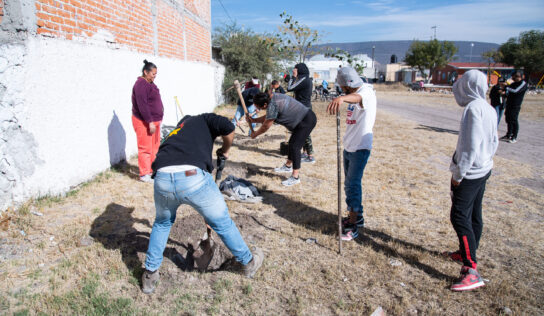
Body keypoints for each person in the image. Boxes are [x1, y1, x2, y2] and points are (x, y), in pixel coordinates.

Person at [141, 113, 264, 294]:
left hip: (162, 178)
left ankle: (149, 275)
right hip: (192, 176)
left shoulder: (177, 131)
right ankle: (248, 262)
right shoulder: (205, 119)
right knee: (222, 222)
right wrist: (225, 149)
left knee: (162, 223)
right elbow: (229, 128)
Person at [445, 70, 498, 291]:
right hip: (484, 168)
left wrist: (459, 174)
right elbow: (494, 141)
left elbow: (470, 145)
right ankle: (466, 252)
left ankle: (471, 269)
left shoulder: (473, 109)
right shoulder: (488, 107)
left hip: (471, 172)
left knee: (459, 216)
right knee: (474, 214)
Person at [326, 67, 376, 241]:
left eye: (342, 88)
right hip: (349, 146)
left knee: (352, 185)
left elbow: (358, 98)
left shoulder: (366, 92)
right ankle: (357, 215)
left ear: (348, 86)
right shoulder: (354, 93)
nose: (341, 90)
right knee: (349, 184)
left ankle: (352, 226)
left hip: (360, 148)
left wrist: (342, 98)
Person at [248, 91, 317, 186]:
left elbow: (265, 126)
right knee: (292, 143)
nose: (259, 109)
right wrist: (254, 120)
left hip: (305, 120)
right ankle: (288, 166)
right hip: (303, 119)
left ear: (265, 104)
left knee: (295, 147)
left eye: (259, 107)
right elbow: (269, 116)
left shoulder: (272, 105)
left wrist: (255, 134)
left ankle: (295, 177)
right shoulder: (272, 98)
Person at [132, 60, 164, 183]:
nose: (154, 76)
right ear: (146, 72)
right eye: (153, 74)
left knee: (154, 147)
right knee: (145, 147)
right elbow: (142, 105)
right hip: (144, 121)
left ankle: (152, 170)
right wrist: (150, 121)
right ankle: (144, 174)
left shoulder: (150, 84)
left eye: (156, 74)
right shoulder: (140, 85)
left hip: (155, 122)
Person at [287, 63, 316, 164]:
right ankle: (305, 152)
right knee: (301, 130)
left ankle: (310, 155)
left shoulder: (304, 79)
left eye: (295, 69)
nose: (293, 70)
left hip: (304, 108)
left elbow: (290, 88)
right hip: (302, 107)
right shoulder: (304, 79)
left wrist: (292, 77)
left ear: (299, 70)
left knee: (304, 131)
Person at [501, 71, 527, 143]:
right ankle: (508, 134)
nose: (515, 78)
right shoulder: (513, 83)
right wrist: (504, 92)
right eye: (514, 77)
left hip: (515, 105)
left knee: (513, 120)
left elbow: (516, 91)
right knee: (508, 119)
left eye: (516, 77)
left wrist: (506, 87)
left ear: (521, 77)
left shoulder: (523, 84)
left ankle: (514, 137)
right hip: (509, 104)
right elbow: (508, 92)